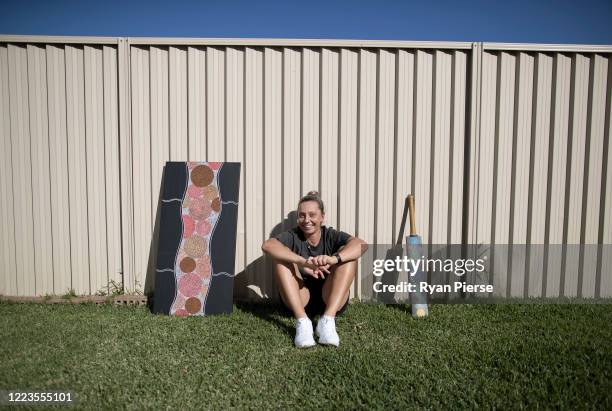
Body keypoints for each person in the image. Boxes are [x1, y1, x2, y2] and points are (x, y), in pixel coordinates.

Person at [261, 191, 368, 348]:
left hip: (330, 298)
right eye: (302, 215)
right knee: (280, 259)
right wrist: (303, 262)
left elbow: (362, 244)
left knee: (348, 257)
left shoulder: (330, 235)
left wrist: (334, 259)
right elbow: (267, 245)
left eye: (312, 215)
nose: (307, 220)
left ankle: (327, 321)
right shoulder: (292, 236)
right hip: (301, 299)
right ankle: (302, 323)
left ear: (322, 217)